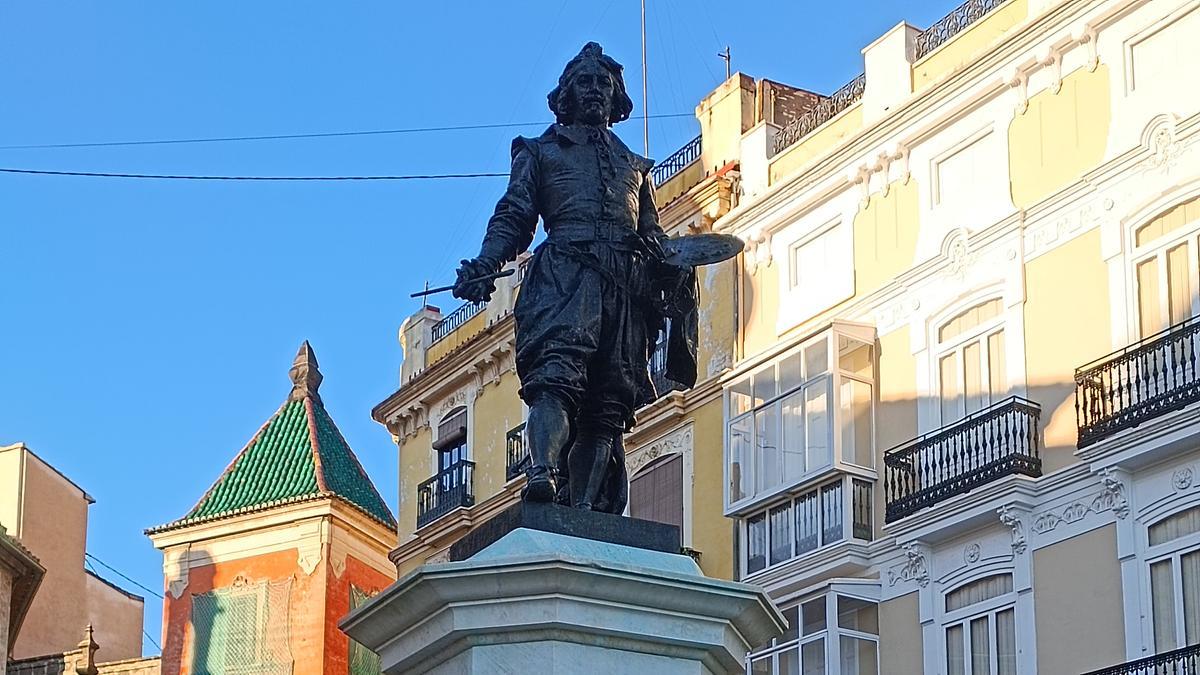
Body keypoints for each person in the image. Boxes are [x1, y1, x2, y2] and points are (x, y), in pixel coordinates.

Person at [452, 42, 695, 513]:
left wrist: (670, 263)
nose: (596, 91)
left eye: (604, 84)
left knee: (609, 401)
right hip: (566, 275)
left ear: (616, 96)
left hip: (623, 288)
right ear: (565, 93)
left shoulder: (635, 167)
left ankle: (584, 505)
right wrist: (487, 263)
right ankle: (542, 471)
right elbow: (515, 215)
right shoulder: (540, 152)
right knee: (555, 377)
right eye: (585, 82)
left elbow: (652, 234)